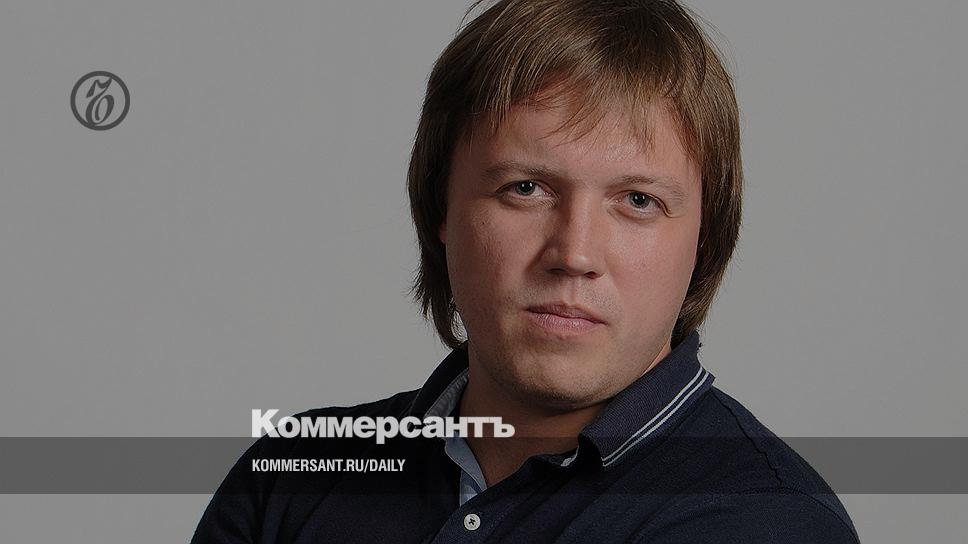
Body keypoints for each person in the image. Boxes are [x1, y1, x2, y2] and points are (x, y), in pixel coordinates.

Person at [191, 1, 859, 542]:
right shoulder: (291, 481)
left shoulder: (762, 520)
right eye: (526, 189)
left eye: (638, 201)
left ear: (704, 243)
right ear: (441, 209)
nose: (574, 253)